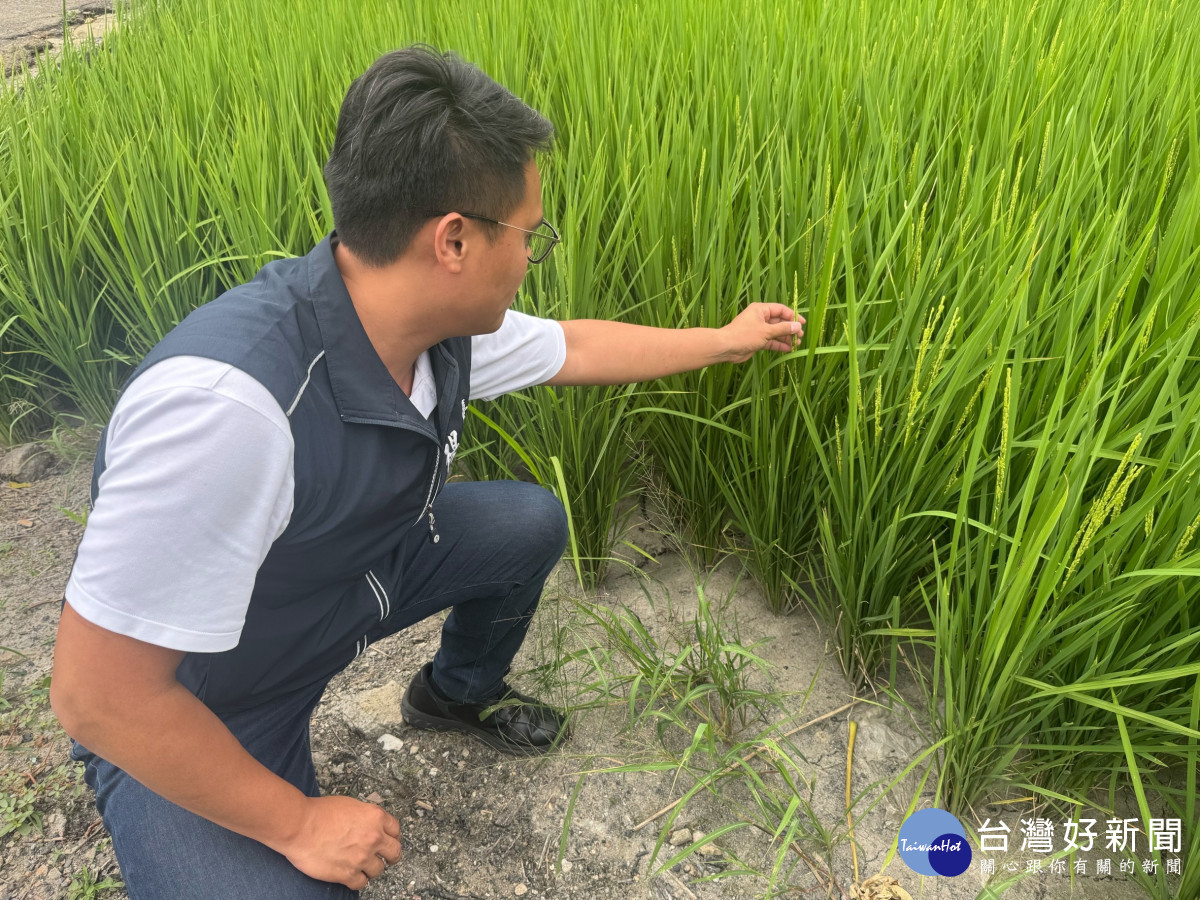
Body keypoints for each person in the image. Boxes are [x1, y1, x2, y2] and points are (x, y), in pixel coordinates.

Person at [49, 44, 805, 898]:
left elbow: (579, 345)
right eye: (530, 234)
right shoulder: (228, 411)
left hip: (343, 590)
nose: (532, 256)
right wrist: (298, 823)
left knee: (527, 522)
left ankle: (453, 695)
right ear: (452, 240)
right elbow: (99, 697)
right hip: (214, 696)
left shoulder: (431, 324)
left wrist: (726, 340)